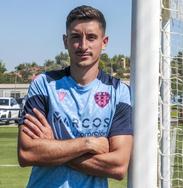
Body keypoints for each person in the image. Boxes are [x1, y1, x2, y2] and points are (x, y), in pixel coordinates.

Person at [17, 5, 133, 188]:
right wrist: (88, 143)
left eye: (92, 37)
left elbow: (117, 166)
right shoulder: (44, 84)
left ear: (104, 42)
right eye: (76, 37)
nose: (83, 45)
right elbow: (27, 153)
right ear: (65, 41)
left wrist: (54, 145)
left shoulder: (119, 91)